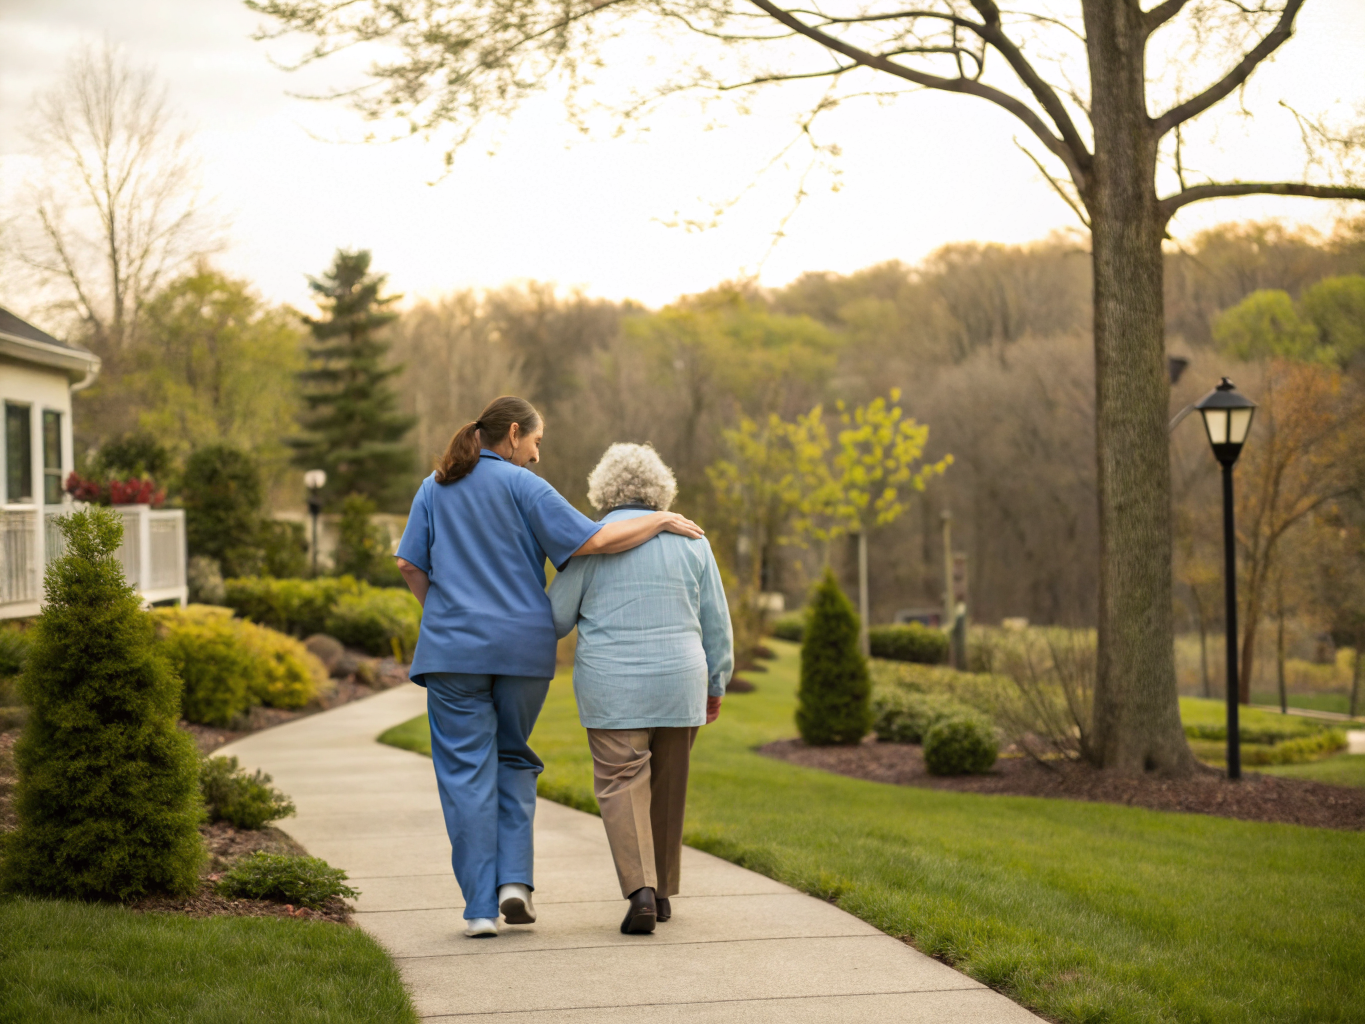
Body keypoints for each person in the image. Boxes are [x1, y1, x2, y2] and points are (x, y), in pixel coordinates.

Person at [394, 397, 705, 938]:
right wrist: (659, 518)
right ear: (514, 434)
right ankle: (515, 883)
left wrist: (441, 616)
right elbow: (597, 540)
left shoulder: (434, 487)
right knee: (513, 758)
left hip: (452, 654)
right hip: (521, 652)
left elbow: (407, 563)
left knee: (466, 774)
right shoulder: (525, 486)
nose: (538, 455)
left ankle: (479, 910)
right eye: (537, 442)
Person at [548, 443, 733, 935]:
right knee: (669, 787)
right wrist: (716, 682)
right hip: (681, 683)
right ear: (661, 489)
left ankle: (641, 892)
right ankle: (663, 892)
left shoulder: (593, 544)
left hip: (613, 687)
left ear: (603, 490)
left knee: (622, 783)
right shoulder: (693, 540)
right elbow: (717, 623)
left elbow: (556, 619)